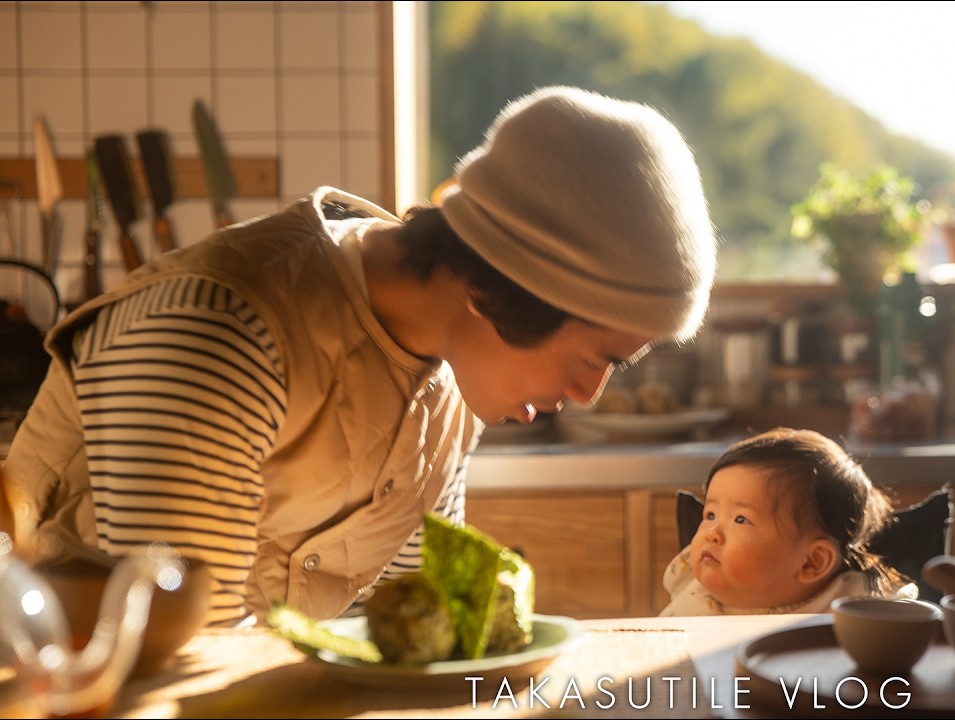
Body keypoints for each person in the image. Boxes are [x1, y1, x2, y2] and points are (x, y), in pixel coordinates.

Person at [1, 86, 717, 627]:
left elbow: (394, 625)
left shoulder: (452, 382)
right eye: (596, 357)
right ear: (499, 292)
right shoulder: (217, 336)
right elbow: (184, 659)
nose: (591, 395)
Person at [660, 427, 916, 616]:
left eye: (740, 519)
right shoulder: (690, 597)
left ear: (812, 562)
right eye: (711, 515)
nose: (711, 533)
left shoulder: (859, 613)